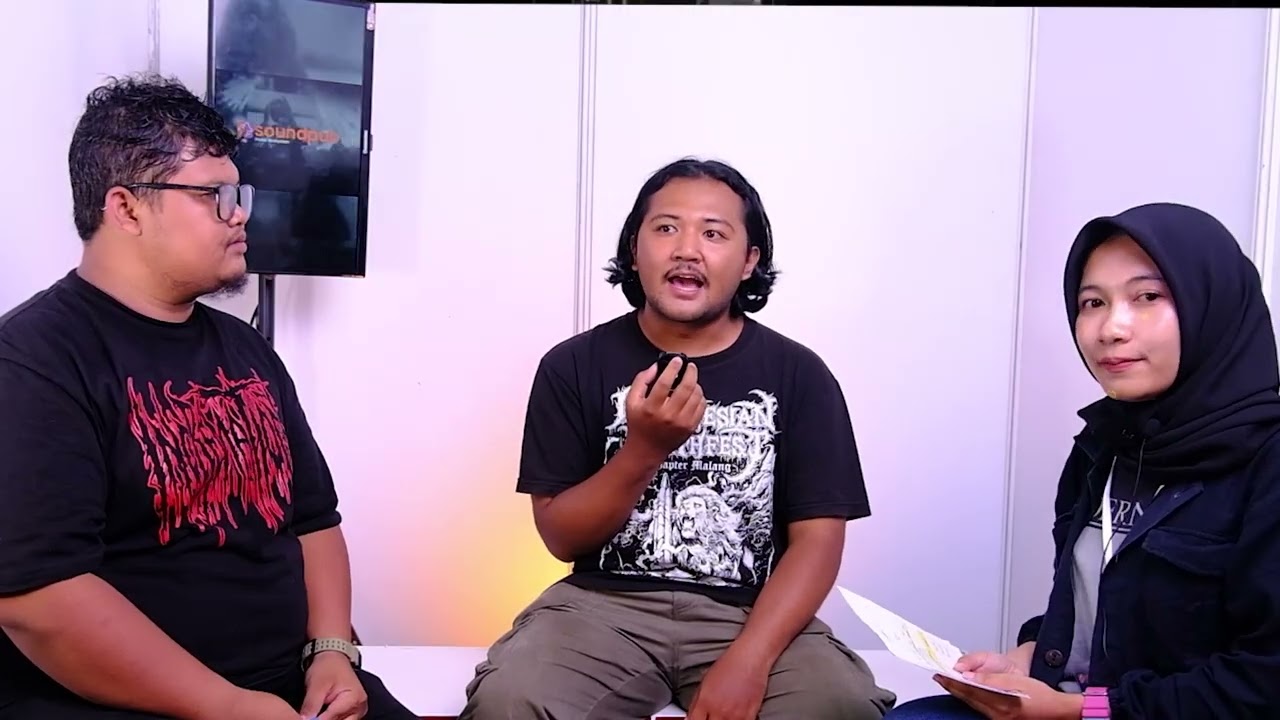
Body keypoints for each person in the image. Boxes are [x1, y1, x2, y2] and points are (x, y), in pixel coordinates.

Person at [0, 75, 415, 720]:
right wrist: (228, 706)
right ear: (126, 209)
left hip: (291, 688)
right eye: (213, 196)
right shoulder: (35, 359)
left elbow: (314, 521)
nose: (240, 214)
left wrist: (333, 653)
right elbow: (40, 599)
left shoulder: (244, 349)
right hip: (138, 705)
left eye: (239, 193)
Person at [460, 157, 898, 720]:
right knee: (510, 701)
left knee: (839, 705)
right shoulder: (572, 365)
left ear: (749, 261)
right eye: (666, 228)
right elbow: (562, 538)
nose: (687, 249)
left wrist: (750, 659)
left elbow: (818, 541)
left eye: (713, 234)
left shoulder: (800, 374)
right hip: (601, 608)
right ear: (634, 249)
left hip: (751, 611)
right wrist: (643, 450)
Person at [885, 202, 1280, 719]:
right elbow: (1093, 610)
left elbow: (1264, 682)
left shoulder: (1267, 461)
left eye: (1148, 296)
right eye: (1092, 302)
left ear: (1213, 305)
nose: (1110, 328)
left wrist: (1078, 710)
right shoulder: (1103, 445)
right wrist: (1025, 658)